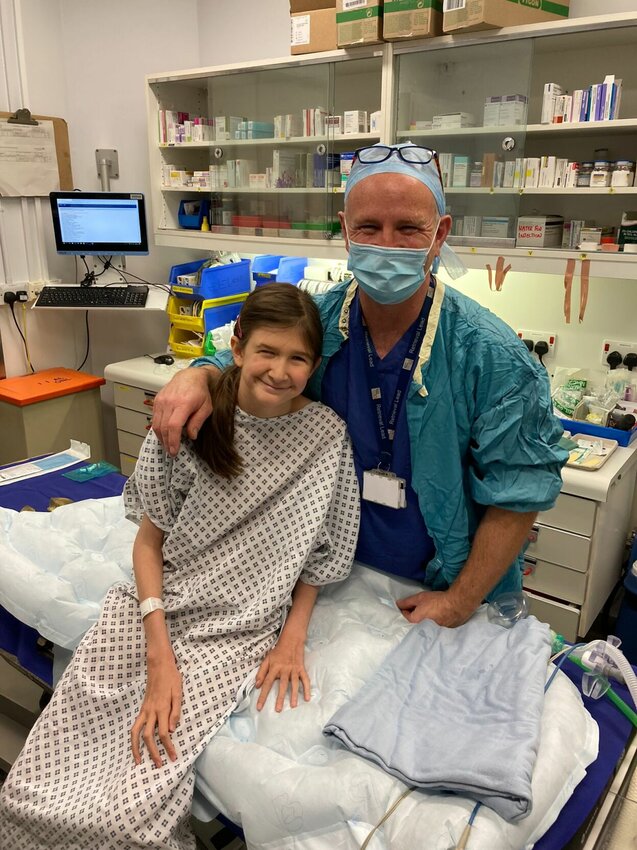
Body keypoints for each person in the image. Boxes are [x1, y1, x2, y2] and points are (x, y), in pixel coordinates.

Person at [0, 283, 360, 850]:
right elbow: (148, 544)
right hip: (153, 611)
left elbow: (324, 555)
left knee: (133, 808)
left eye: (298, 358)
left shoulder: (325, 438)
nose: (280, 370)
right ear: (237, 348)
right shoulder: (190, 422)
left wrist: (291, 638)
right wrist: (158, 654)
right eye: (267, 351)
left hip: (236, 633)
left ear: (314, 366)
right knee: (32, 789)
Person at [152, 142, 567, 629]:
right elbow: (245, 357)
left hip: (442, 588)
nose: (386, 245)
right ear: (346, 231)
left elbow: (517, 495)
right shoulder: (321, 323)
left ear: (440, 235)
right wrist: (197, 373)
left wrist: (457, 602)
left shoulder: (490, 357)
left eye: (409, 228)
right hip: (332, 578)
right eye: (369, 227)